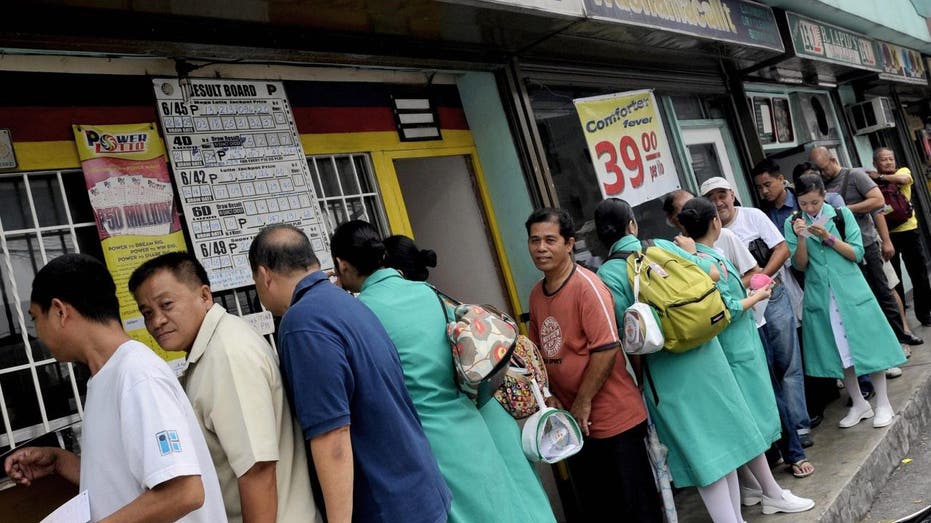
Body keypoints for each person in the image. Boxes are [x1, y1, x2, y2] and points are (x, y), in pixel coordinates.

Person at [595, 199, 810, 522]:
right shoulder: (661, 247)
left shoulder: (607, 274)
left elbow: (629, 335)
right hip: (708, 356)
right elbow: (709, 273)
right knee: (727, 440)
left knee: (703, 454)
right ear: (632, 225)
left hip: (667, 370)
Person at [330, 221, 555, 523]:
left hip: (427, 436)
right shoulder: (427, 292)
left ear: (342, 265)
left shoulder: (361, 313)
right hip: (468, 422)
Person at [248, 224, 451, 523]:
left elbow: (332, 436)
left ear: (264, 276)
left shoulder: (302, 322)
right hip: (419, 490)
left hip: (385, 506)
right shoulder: (348, 302)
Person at [4, 254, 226, 522]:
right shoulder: (105, 377)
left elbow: (184, 492)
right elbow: (125, 480)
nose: (36, 332)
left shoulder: (137, 374)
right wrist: (59, 461)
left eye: (35, 318)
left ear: (60, 311)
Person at [128, 252, 322, 523]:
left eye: (167, 305)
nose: (156, 321)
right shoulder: (210, 351)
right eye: (147, 313)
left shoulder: (227, 353)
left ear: (205, 296)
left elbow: (257, 469)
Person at [525, 208, 662, 522]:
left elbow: (607, 349)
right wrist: (547, 396)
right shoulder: (536, 294)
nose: (541, 248)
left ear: (570, 243)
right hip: (573, 426)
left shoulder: (587, 286)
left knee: (635, 509)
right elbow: (537, 353)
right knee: (600, 508)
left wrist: (583, 402)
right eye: (534, 241)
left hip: (613, 420)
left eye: (550, 240)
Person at [675, 198, 817, 497]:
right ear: (715, 220)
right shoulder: (702, 258)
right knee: (760, 405)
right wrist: (759, 293)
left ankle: (770, 476)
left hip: (737, 339)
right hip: (736, 342)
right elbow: (727, 306)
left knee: (762, 402)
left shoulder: (701, 252)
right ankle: (768, 486)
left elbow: (746, 276)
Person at [785, 174, 906, 429]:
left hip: (851, 290)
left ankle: (883, 402)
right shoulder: (792, 222)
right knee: (840, 352)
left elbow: (856, 252)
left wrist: (828, 238)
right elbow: (799, 264)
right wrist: (803, 238)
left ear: (823, 196)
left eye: (815, 202)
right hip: (821, 296)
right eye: (804, 203)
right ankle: (859, 402)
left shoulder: (840, 215)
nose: (810, 208)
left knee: (869, 345)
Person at [700, 177, 812, 449]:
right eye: (711, 197)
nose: (718, 201)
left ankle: (799, 426)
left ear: (732, 193)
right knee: (762, 372)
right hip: (739, 313)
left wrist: (762, 278)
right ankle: (776, 434)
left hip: (771, 300)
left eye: (722, 194)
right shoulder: (705, 237)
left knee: (788, 364)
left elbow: (783, 248)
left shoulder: (753, 216)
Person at [809, 146, 922, 346]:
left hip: (867, 242)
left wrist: (844, 210)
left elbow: (877, 202)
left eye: (824, 168)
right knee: (864, 297)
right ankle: (881, 342)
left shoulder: (855, 176)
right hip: (842, 249)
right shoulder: (821, 185)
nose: (823, 173)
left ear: (833, 160)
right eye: (818, 170)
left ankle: (899, 338)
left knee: (884, 291)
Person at [873, 147, 931, 326]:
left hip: (909, 231)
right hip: (887, 236)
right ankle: (902, 319)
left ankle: (925, 314)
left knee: (919, 274)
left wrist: (879, 177)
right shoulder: (870, 182)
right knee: (894, 278)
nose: (889, 162)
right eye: (884, 159)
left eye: (891, 158)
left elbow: (903, 179)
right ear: (876, 163)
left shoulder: (902, 171)